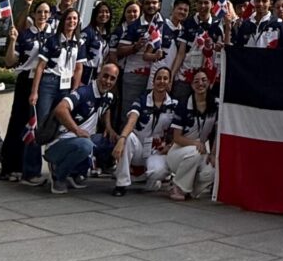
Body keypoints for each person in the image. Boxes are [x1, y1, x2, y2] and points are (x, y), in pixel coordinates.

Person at [25, 8, 86, 186]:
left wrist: (75, 92)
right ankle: (31, 171)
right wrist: (34, 91)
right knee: (40, 124)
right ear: (63, 21)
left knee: (62, 126)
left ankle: (57, 164)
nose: (72, 22)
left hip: (66, 87)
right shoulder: (53, 40)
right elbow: (40, 66)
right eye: (69, 19)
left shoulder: (78, 43)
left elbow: (79, 69)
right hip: (49, 83)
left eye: (75, 19)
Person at [0, 0, 53, 182]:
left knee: (34, 125)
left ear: (50, 15)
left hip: (44, 83)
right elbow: (10, 61)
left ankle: (26, 166)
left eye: (46, 12)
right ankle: (9, 166)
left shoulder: (53, 36)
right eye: (39, 12)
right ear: (34, 14)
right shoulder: (25, 35)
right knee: (18, 123)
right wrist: (12, 41)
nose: (42, 15)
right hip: (25, 81)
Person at [43, 63, 118, 194]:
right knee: (86, 146)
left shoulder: (108, 96)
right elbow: (60, 109)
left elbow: (107, 108)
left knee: (114, 141)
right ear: (98, 74)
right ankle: (58, 174)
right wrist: (76, 130)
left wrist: (109, 127)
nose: (108, 81)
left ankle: (74, 172)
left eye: (112, 78)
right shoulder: (84, 92)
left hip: (83, 140)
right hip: (60, 142)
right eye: (105, 76)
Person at [112, 67, 178, 197]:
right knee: (128, 137)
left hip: (157, 150)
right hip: (139, 147)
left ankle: (146, 176)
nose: (162, 81)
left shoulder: (174, 105)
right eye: (158, 78)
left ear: (170, 82)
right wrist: (121, 138)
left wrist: (170, 146)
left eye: (165, 78)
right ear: (153, 81)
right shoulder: (141, 100)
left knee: (156, 172)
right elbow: (131, 120)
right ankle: (122, 183)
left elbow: (178, 131)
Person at [167, 70, 219, 201]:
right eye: (196, 81)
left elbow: (218, 132)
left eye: (203, 80)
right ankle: (178, 186)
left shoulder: (216, 105)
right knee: (195, 152)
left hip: (201, 151)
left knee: (212, 171)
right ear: (191, 85)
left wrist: (213, 154)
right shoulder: (184, 105)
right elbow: (176, 137)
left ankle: (188, 189)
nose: (200, 84)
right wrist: (195, 143)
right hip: (179, 152)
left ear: (209, 83)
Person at [116, 0, 163, 123]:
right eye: (147, 3)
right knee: (128, 113)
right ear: (142, 5)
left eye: (154, 3)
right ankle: (123, 141)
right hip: (134, 76)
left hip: (155, 77)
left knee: (147, 116)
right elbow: (119, 50)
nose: (151, 6)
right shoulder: (134, 26)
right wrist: (135, 47)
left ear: (159, 5)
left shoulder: (164, 25)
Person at [172, 0, 225, 101]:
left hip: (207, 78)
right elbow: (181, 53)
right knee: (180, 106)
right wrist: (172, 75)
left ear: (212, 5)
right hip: (186, 75)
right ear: (196, 4)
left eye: (206, 3)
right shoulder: (188, 23)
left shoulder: (218, 24)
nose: (203, 6)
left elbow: (221, 50)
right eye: (200, 3)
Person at [147, 0, 190, 87]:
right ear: (173, 9)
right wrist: (155, 56)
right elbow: (146, 55)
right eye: (180, 9)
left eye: (185, 10)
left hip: (172, 78)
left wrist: (172, 76)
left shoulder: (184, 31)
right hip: (156, 76)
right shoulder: (161, 26)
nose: (182, 12)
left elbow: (180, 55)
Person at [80, 2, 112, 86]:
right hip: (85, 73)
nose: (104, 14)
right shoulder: (87, 32)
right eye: (101, 12)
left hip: (99, 74)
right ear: (95, 14)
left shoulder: (107, 34)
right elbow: (79, 55)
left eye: (107, 12)